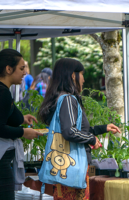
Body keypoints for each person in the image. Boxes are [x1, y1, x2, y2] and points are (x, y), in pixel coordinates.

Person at [38, 58, 121, 199]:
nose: (83, 79)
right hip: (72, 168)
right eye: (81, 74)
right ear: (72, 75)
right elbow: (69, 131)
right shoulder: (68, 100)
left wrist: (102, 128)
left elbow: (74, 129)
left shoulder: (59, 98)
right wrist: (92, 139)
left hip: (64, 168)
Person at [0, 49, 43, 199]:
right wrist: (23, 132)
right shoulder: (3, 92)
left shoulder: (4, 91)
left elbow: (5, 114)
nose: (25, 72)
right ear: (8, 69)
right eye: (21, 68)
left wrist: (21, 118)